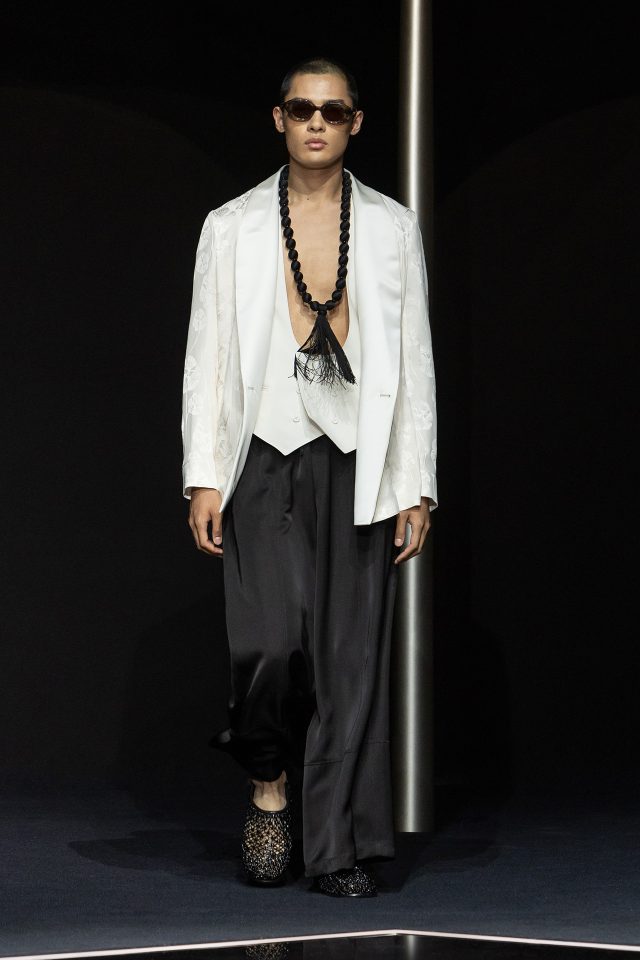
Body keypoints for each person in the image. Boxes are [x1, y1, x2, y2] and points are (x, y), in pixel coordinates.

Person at [181, 56, 437, 898]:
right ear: (280, 119)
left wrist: (416, 481)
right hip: (262, 454)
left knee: (349, 660)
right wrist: (203, 474)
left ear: (356, 122)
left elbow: (415, 357)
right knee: (267, 647)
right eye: (301, 109)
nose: (316, 122)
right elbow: (207, 356)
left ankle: (336, 848)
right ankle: (269, 783)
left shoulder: (393, 226)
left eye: (332, 110)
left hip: (359, 456)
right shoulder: (232, 226)